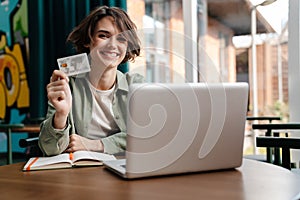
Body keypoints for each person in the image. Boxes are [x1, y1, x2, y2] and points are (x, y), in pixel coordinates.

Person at [38, 6, 144, 156]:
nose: (113, 45)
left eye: (121, 38)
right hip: (80, 173)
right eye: (103, 36)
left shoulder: (137, 85)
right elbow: (49, 149)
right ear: (88, 41)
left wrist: (96, 144)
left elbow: (148, 136)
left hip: (125, 170)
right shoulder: (68, 84)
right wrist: (61, 115)